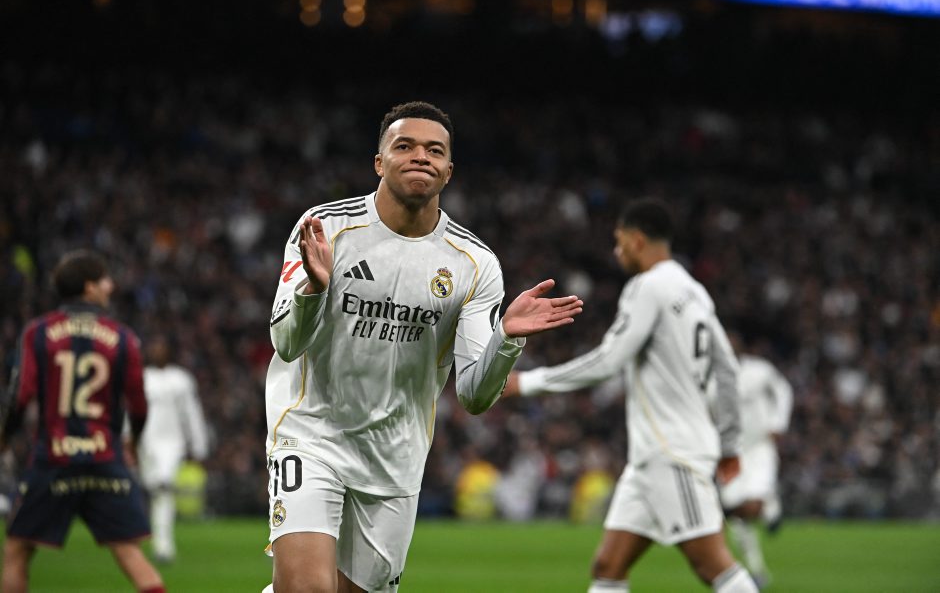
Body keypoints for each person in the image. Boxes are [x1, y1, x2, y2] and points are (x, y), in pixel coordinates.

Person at [262, 100, 583, 593]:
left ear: (449, 171)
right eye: (405, 146)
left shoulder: (474, 263)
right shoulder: (325, 228)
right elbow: (286, 343)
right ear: (379, 162)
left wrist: (506, 340)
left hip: (396, 457)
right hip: (312, 434)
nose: (420, 157)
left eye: (435, 151)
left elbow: (474, 395)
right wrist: (314, 290)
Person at [504, 198, 758, 593]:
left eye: (619, 241)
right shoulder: (694, 292)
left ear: (637, 240)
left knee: (712, 564)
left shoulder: (648, 286)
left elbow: (609, 360)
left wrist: (529, 382)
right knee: (608, 565)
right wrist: (729, 444)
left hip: (672, 452)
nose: (616, 251)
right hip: (650, 459)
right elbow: (726, 369)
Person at [0, 250, 165, 593]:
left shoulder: (38, 332)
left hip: (54, 458)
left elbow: (20, 395)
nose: (111, 286)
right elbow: (138, 404)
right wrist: (133, 442)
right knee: (130, 553)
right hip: (105, 458)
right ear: (89, 287)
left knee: (16, 552)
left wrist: (4, 437)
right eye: (105, 280)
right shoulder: (122, 337)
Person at [716, 333, 793, 588]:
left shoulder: (760, 371)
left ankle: (770, 505)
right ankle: (756, 569)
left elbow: (783, 390)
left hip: (760, 447)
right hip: (730, 453)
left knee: (752, 504)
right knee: (736, 513)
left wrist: (778, 422)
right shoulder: (712, 378)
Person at [138, 334, 210, 563]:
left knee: (163, 488)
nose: (157, 351)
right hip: (145, 443)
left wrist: (198, 444)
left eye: (161, 347)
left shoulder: (181, 380)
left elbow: (192, 412)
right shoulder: (142, 378)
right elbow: (131, 411)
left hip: (172, 443)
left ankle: (163, 547)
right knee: (153, 490)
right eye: (154, 347)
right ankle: (155, 539)